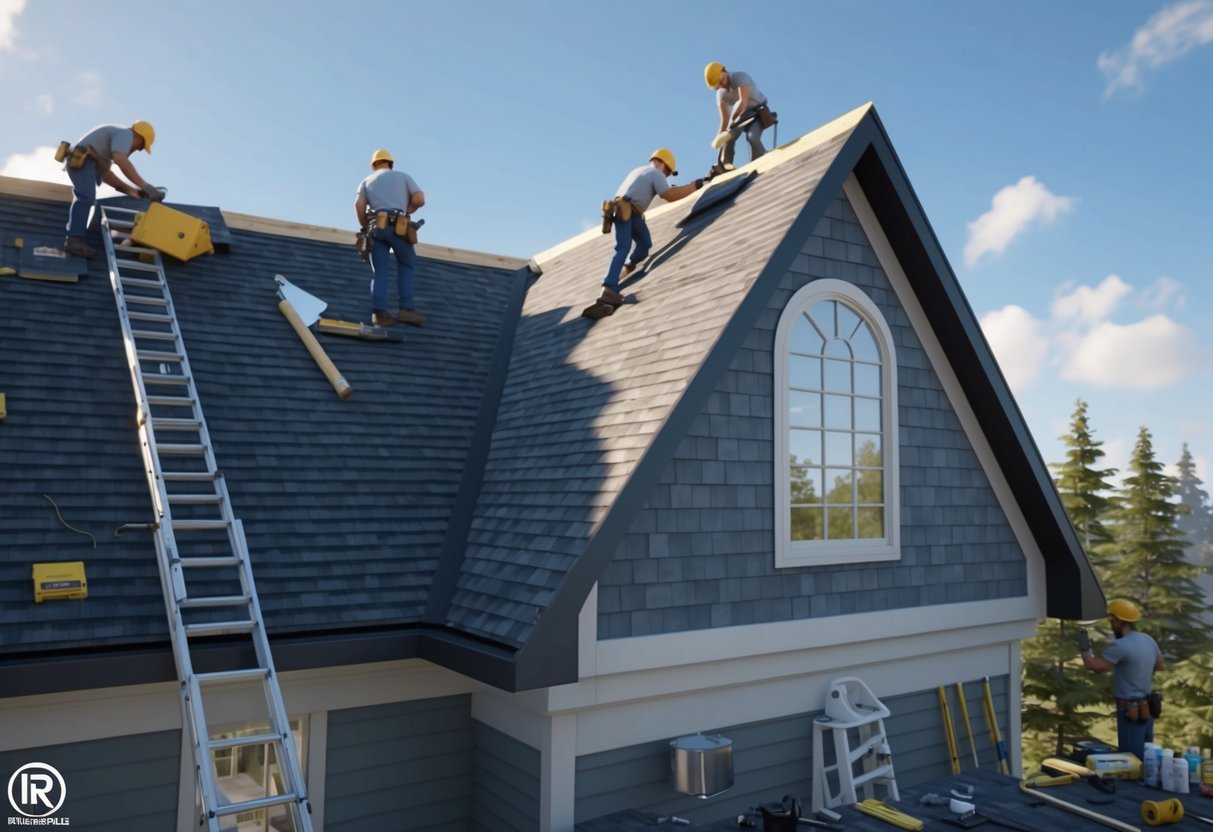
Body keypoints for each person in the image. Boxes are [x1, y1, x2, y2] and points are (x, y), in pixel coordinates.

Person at [587, 148, 703, 317]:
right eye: (668, 172)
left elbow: (655, 191)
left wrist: (682, 188)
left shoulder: (640, 171)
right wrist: (695, 186)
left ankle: (625, 269)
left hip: (630, 211)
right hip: (626, 211)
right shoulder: (656, 173)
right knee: (623, 247)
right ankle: (608, 288)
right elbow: (669, 195)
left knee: (644, 244)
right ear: (664, 165)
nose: (667, 176)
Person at [1079, 598, 1165, 763]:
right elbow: (1160, 665)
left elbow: (1094, 665)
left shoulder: (1120, 646)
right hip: (1147, 710)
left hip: (1130, 711)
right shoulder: (1148, 640)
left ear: (1118, 621)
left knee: (1131, 761)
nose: (1111, 625)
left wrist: (1084, 646)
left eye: (1112, 621)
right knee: (1147, 760)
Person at [62, 121, 162, 258]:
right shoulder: (126, 134)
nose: (138, 150)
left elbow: (107, 175)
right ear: (138, 137)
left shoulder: (105, 150)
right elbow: (121, 160)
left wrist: (134, 192)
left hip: (86, 160)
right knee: (86, 197)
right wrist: (145, 186)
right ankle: (74, 240)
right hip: (83, 160)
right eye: (141, 146)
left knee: (87, 197)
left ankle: (76, 237)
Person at [354, 149, 426, 327]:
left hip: (375, 228)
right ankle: (406, 310)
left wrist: (365, 226)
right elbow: (420, 199)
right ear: (390, 163)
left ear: (374, 164)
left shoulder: (366, 181)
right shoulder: (403, 177)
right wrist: (407, 211)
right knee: (406, 264)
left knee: (380, 271)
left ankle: (379, 314)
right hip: (397, 227)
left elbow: (359, 205)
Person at [704, 62, 772, 174]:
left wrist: (732, 123)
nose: (722, 85)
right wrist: (719, 137)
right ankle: (725, 165)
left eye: (721, 81)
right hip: (741, 116)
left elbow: (743, 103)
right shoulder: (721, 94)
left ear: (724, 71)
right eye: (718, 85)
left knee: (753, 138)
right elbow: (724, 119)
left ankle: (760, 161)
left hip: (758, 112)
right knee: (727, 137)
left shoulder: (739, 77)